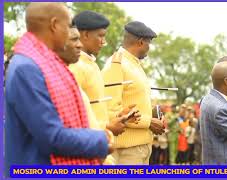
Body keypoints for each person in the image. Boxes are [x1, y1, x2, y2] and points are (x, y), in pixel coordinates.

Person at [4, 3, 111, 175]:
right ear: (54, 25)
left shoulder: (48, 64)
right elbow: (51, 136)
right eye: (68, 26)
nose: (71, 34)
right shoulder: (26, 68)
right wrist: (101, 140)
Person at [102, 21, 165, 164]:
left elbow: (132, 103)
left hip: (140, 147)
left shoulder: (134, 65)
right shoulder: (116, 64)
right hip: (127, 151)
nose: (149, 48)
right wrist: (148, 122)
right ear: (141, 42)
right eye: (149, 43)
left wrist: (153, 114)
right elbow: (111, 109)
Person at [69, 11, 131, 137]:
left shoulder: (92, 65)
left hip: (98, 142)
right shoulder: (75, 66)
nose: (103, 42)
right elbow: (73, 116)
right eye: (101, 36)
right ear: (85, 34)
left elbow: (96, 108)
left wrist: (117, 116)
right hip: (88, 144)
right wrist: (107, 127)